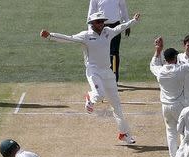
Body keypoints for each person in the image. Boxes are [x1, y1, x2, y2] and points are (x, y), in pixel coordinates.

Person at [40, 11, 140, 144]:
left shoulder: (107, 32)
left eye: (102, 21)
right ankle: (90, 97)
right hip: (94, 71)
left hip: (108, 72)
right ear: (92, 23)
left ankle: (124, 133)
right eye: (98, 22)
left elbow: (119, 28)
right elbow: (68, 38)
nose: (101, 23)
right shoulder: (85, 35)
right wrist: (50, 36)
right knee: (99, 95)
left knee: (117, 106)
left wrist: (133, 21)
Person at [149, 34, 189, 157]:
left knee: (171, 132)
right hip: (179, 106)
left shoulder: (160, 71)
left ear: (166, 59)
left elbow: (153, 64)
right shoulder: (180, 70)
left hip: (165, 107)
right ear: (175, 58)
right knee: (186, 132)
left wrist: (158, 50)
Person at [88, 0, 131, 82]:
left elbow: (123, 8)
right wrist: (90, 30)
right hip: (100, 27)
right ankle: (101, 77)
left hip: (115, 26)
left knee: (114, 53)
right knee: (101, 53)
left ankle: (114, 79)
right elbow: (91, 12)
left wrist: (127, 23)